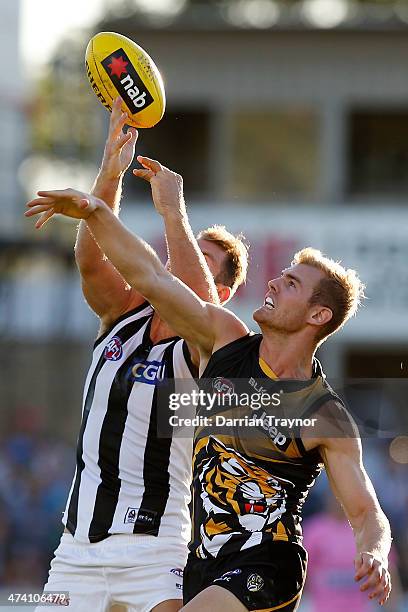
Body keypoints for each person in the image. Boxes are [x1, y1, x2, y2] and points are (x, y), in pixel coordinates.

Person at [25, 184, 392, 611]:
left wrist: (375, 550)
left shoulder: (323, 413)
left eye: (290, 283)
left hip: (267, 565)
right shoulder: (225, 342)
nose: (272, 281)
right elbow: (154, 278)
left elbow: (366, 512)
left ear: (317, 315)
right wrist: (94, 212)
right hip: (201, 565)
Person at [28, 98, 248, 612]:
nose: (172, 263)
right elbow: (91, 258)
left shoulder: (210, 344)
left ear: (223, 293)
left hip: (156, 547)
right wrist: (109, 171)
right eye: (172, 252)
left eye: (194, 259)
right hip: (76, 548)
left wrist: (174, 212)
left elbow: (192, 297)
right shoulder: (122, 317)